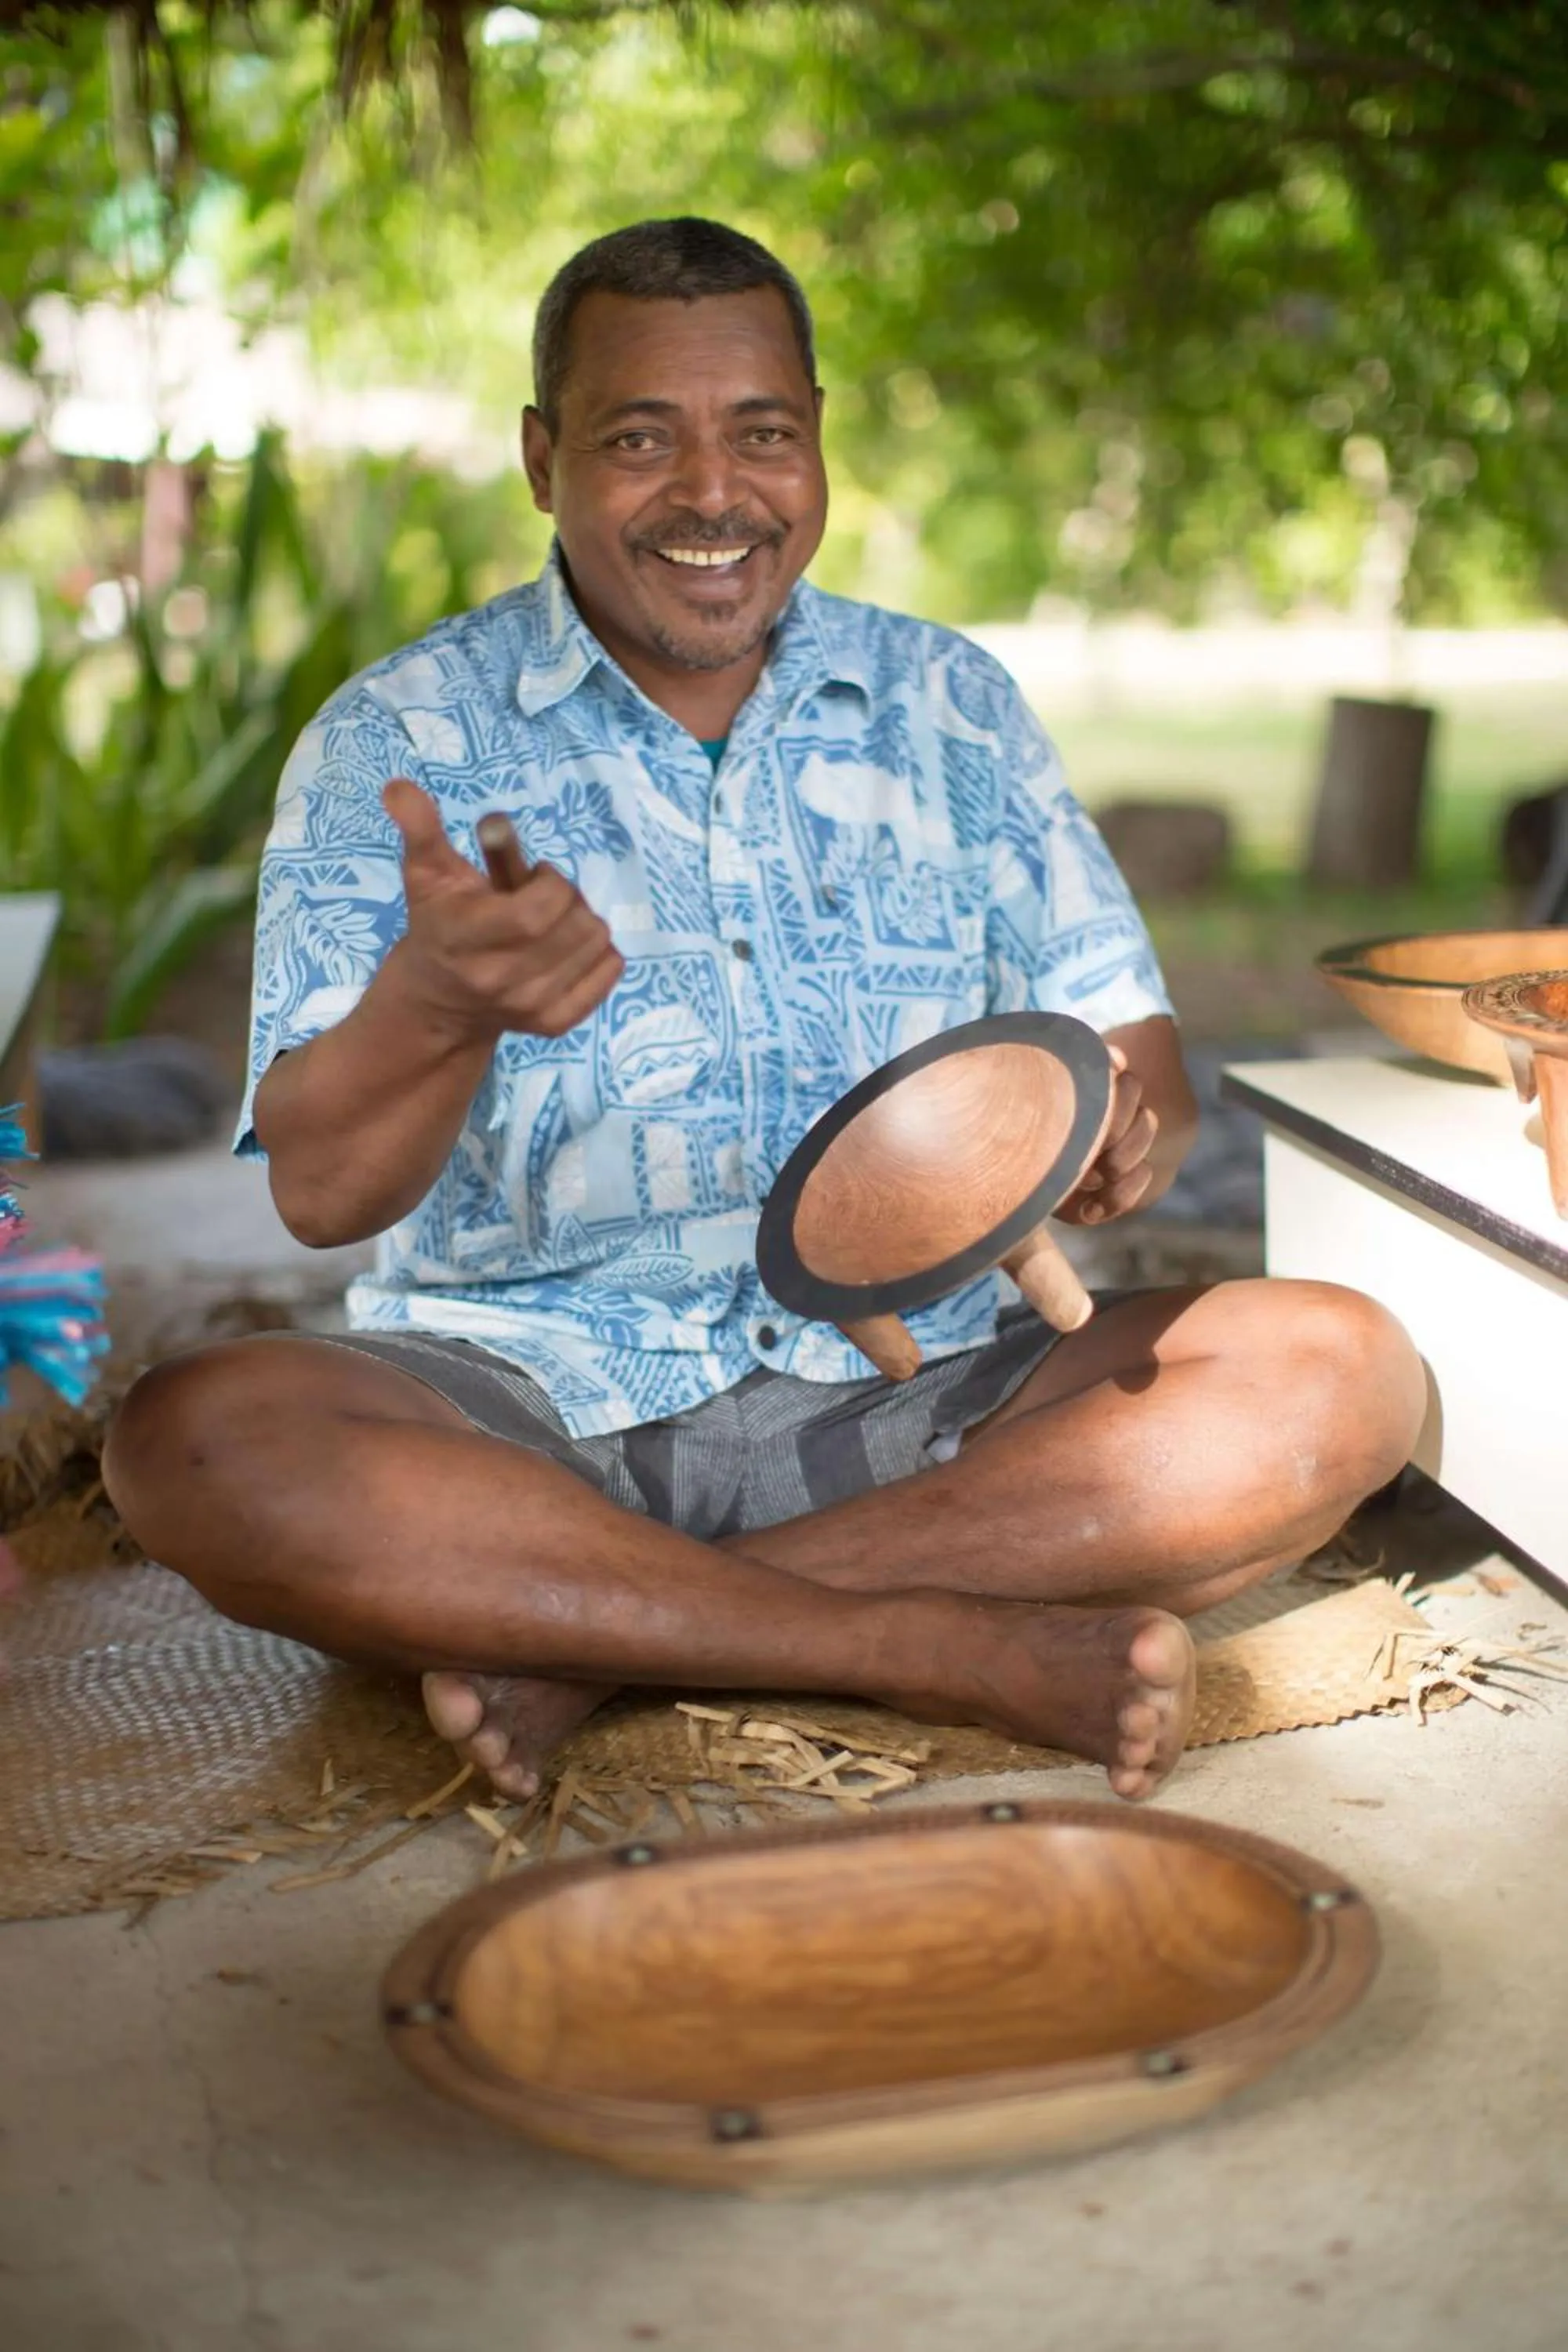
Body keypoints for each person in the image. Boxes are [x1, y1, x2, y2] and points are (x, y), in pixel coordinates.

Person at [103, 219, 1426, 1805]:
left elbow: (1133, 1052)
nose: (714, 495)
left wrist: (1106, 1141)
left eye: (761, 435)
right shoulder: (401, 735)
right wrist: (439, 1001)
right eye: (639, 438)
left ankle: (596, 1644)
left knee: (1336, 1371)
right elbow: (323, 1198)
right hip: (525, 1416)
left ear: (817, 443)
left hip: (928, 1405)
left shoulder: (951, 704)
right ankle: (940, 1648)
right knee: (195, 1443)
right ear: (543, 458)